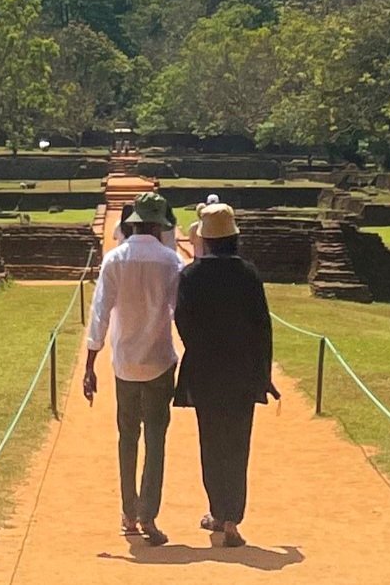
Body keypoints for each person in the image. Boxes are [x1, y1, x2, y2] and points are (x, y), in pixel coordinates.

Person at [173, 196, 276, 549]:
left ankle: (218, 511)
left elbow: (184, 323)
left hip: (206, 373)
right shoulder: (249, 274)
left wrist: (203, 351)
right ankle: (231, 518)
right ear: (233, 237)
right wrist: (264, 374)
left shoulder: (190, 275)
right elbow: (262, 328)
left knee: (212, 443)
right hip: (242, 373)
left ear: (206, 237)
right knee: (237, 445)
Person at [82, 191, 182, 547]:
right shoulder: (171, 262)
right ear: (158, 225)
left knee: (128, 438)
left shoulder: (114, 260)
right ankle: (148, 514)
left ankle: (128, 512)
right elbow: (181, 313)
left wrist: (90, 365)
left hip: (124, 364)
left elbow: (99, 314)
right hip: (159, 361)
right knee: (156, 440)